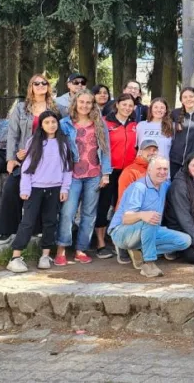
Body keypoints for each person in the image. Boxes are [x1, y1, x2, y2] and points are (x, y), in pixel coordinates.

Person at [6, 110, 75, 273]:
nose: (51, 125)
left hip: (55, 188)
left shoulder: (63, 143)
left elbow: (67, 169)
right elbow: (26, 168)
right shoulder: (34, 142)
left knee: (50, 221)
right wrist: (25, 188)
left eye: (53, 122)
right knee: (28, 221)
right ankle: (15, 257)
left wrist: (64, 188)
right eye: (47, 122)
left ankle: (45, 255)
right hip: (35, 188)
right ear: (41, 125)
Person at [0, 74, 57, 242]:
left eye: (44, 82)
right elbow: (13, 134)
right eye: (36, 83)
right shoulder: (21, 108)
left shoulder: (56, 108)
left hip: (48, 159)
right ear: (31, 87)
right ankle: (8, 229)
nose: (40, 85)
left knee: (40, 193)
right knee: (11, 189)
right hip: (25, 158)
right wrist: (11, 158)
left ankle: (37, 227)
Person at [108, 157, 192, 277]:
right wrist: (142, 215)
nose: (162, 172)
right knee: (151, 218)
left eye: (165, 169)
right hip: (122, 232)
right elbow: (126, 219)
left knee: (184, 241)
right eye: (159, 168)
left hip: (149, 230)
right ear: (149, 170)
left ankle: (140, 251)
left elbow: (181, 184)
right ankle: (149, 263)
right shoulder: (139, 187)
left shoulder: (164, 185)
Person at [57, 89, 112, 266]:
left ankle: (81, 249)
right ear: (75, 103)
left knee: (89, 214)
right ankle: (62, 249)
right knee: (68, 212)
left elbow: (105, 149)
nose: (85, 106)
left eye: (88, 103)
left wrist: (105, 173)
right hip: (71, 175)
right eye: (82, 102)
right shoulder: (64, 123)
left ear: (93, 105)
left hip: (93, 175)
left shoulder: (99, 123)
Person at [96, 93, 139, 259]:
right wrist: (103, 171)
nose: (127, 108)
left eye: (130, 105)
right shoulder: (106, 123)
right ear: (117, 105)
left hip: (127, 171)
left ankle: (117, 240)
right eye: (124, 104)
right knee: (104, 204)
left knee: (120, 205)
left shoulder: (135, 124)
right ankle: (100, 243)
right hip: (109, 170)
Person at [165, 153, 194, 265]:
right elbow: (184, 217)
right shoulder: (179, 185)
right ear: (187, 166)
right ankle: (174, 249)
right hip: (183, 230)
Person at [169, 87, 194, 179]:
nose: (188, 99)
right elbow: (165, 126)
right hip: (175, 160)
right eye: (185, 97)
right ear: (181, 100)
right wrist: (174, 125)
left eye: (191, 96)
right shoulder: (175, 113)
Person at [118, 140, 160, 210]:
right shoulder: (130, 171)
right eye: (148, 150)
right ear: (140, 152)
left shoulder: (158, 171)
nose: (152, 152)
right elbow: (124, 199)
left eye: (154, 150)